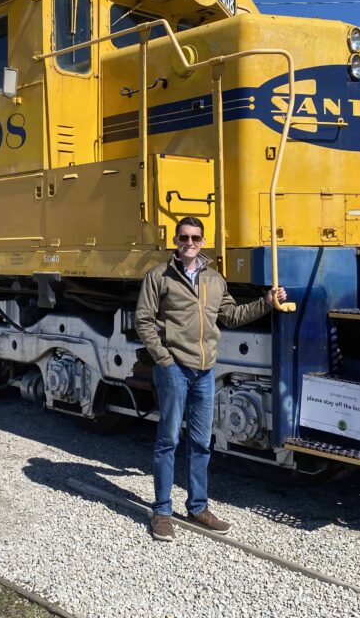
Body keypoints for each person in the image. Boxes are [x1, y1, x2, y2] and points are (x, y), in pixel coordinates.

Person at [135, 216, 286, 542]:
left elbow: (232, 315)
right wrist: (164, 359)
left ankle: (198, 506)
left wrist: (267, 303)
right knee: (168, 441)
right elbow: (143, 320)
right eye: (184, 238)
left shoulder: (214, 280)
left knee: (202, 443)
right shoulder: (159, 276)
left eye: (196, 238)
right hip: (174, 369)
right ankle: (162, 512)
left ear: (204, 242)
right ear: (175, 241)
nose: (190, 243)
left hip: (205, 371)